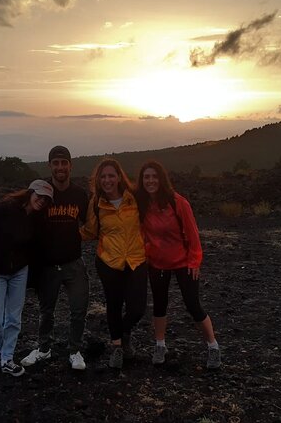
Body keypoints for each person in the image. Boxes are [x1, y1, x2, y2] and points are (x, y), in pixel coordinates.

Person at [135, 160, 221, 369]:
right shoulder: (142, 204)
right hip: (157, 263)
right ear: (142, 181)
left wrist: (194, 260)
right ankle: (160, 345)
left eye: (154, 176)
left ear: (161, 179)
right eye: (146, 177)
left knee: (192, 304)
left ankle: (213, 346)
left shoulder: (177, 202)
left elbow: (192, 234)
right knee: (160, 304)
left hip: (183, 262)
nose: (150, 181)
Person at [0, 179, 54, 377]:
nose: (42, 201)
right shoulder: (4, 208)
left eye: (46, 199)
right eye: (39, 195)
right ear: (30, 192)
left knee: (14, 318)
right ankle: (2, 350)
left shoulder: (37, 220)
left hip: (19, 272)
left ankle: (7, 359)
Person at [21, 146, 90, 370]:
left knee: (78, 309)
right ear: (49, 165)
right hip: (48, 265)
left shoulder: (79, 195)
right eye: (56, 163)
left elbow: (91, 223)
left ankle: (75, 351)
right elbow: (25, 215)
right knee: (46, 310)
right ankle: (43, 349)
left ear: (71, 165)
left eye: (64, 163)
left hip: (73, 262)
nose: (60, 167)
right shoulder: (42, 191)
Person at [81, 158, 147, 369]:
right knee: (114, 306)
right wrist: (64, 232)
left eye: (111, 175)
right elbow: (90, 232)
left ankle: (124, 334)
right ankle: (118, 347)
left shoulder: (134, 198)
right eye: (103, 177)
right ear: (98, 180)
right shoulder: (96, 203)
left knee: (137, 308)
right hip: (109, 262)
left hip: (136, 260)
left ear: (119, 177)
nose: (107, 180)